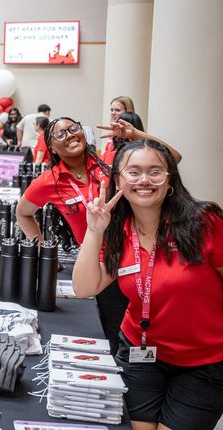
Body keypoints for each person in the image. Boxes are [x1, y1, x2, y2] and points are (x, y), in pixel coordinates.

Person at [72, 139, 223, 430]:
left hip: (204, 362)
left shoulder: (204, 222)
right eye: (134, 172)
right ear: (119, 180)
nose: (144, 180)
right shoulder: (117, 231)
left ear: (170, 181)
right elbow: (84, 288)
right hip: (140, 352)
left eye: (155, 172)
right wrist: (94, 232)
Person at [16, 116, 172, 353]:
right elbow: (23, 213)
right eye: (60, 134)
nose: (69, 135)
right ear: (51, 147)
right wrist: (45, 253)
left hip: (139, 256)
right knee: (118, 337)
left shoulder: (111, 162)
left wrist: (138, 137)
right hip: (101, 268)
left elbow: (174, 158)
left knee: (158, 327)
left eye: (73, 129)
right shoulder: (49, 181)